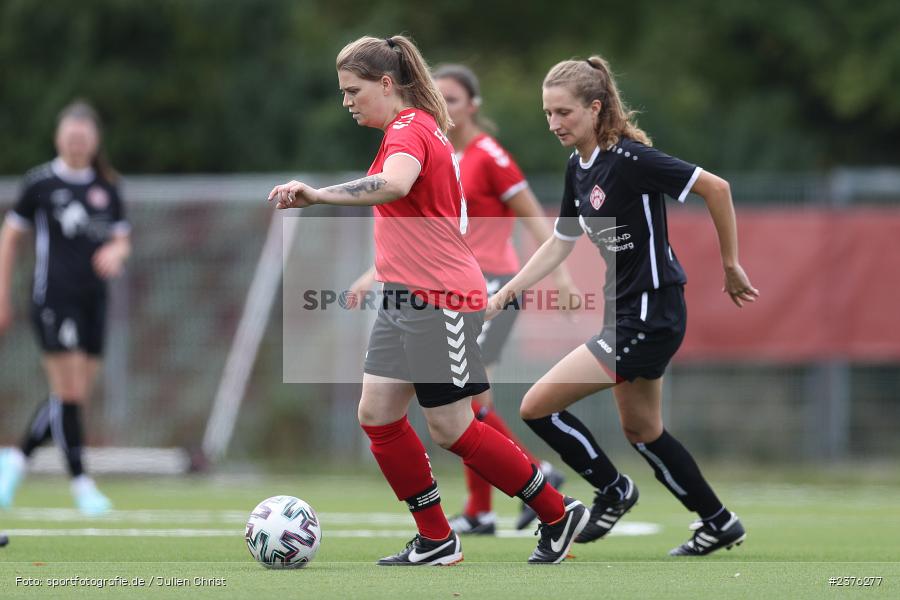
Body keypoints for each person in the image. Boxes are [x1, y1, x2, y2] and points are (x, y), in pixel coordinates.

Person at [268, 35, 587, 565]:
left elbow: (394, 185)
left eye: (354, 90)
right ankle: (437, 537)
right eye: (342, 92)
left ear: (387, 83)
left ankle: (556, 511)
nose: (346, 101)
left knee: (453, 427)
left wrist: (319, 194)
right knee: (377, 415)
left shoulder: (410, 129)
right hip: (404, 299)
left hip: (440, 301)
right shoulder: (408, 130)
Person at [487, 56, 759, 556]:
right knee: (642, 428)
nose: (554, 123)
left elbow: (716, 187)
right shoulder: (577, 168)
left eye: (564, 112)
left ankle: (613, 490)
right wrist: (507, 291)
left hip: (652, 313)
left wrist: (730, 264)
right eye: (547, 113)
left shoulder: (631, 160)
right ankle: (718, 522)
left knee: (536, 406)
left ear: (595, 108)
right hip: (628, 313)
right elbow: (559, 242)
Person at [432, 64, 576, 534]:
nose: (444, 107)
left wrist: (563, 278)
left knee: (465, 400)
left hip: (492, 286)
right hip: (457, 289)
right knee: (469, 403)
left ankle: (518, 487)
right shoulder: (438, 155)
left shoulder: (489, 155)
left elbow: (536, 216)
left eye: (452, 99)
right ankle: (497, 500)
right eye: (437, 98)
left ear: (473, 105)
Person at [0, 100, 131, 516]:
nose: (77, 143)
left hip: (94, 300)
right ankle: (81, 485)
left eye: (84, 136)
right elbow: (10, 238)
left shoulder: (107, 185)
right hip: (53, 299)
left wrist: (116, 252)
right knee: (69, 393)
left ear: (94, 141)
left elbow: (122, 238)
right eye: (70, 136)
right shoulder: (40, 184)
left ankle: (14, 461)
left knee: (69, 399)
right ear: (59, 138)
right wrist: (2, 294)